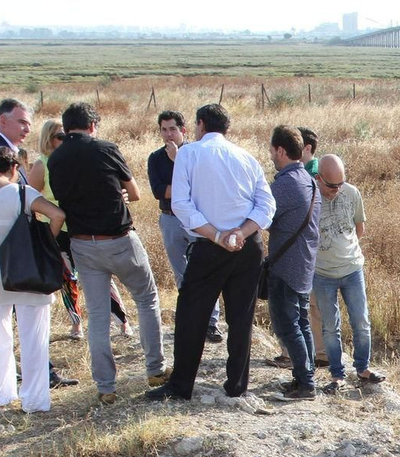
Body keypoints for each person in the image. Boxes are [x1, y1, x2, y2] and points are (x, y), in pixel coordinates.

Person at [147, 103, 275, 403]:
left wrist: (217, 236)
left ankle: (181, 386)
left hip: (210, 246)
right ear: (226, 128)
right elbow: (266, 205)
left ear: (200, 125)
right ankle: (236, 386)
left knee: (192, 314)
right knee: (241, 317)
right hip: (247, 246)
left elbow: (180, 203)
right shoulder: (246, 157)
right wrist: (241, 233)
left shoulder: (189, 153)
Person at [47, 101, 165, 405]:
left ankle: (106, 386)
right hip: (119, 239)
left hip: (83, 244)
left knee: (98, 316)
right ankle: (155, 369)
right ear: (92, 125)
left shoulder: (55, 159)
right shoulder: (105, 148)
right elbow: (135, 193)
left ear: (66, 125)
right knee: (147, 300)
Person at [0, 146, 65, 413]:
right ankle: (34, 400)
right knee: (33, 336)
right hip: (25, 268)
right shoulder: (21, 192)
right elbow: (57, 215)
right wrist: (46, 243)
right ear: (14, 168)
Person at [31, 118, 132, 343]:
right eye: (60, 137)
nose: (66, 141)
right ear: (48, 139)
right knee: (67, 279)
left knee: (103, 278)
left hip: (83, 228)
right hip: (59, 231)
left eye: (66, 136)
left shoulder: (77, 160)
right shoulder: (43, 164)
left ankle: (122, 321)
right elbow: (29, 197)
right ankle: (76, 323)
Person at [147, 110, 222, 343]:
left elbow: (200, 186)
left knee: (207, 269)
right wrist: (182, 188)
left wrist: (178, 162)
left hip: (196, 219)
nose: (168, 134)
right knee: (182, 273)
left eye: (173, 129)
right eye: (164, 129)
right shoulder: (155, 158)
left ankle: (212, 322)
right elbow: (160, 191)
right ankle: (192, 319)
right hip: (170, 219)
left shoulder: (193, 153)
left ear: (183, 130)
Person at [311, 155, 383, 391]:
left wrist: (346, 251)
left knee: (361, 321)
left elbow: (359, 228)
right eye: (331, 185)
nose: (336, 189)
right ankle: (337, 375)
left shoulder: (352, 193)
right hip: (322, 273)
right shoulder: (310, 195)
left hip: (352, 269)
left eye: (340, 184)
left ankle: (363, 368)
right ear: (318, 178)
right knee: (330, 327)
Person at [264, 125, 320, 400]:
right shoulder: (308, 179)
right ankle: (303, 378)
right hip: (304, 263)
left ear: (281, 150)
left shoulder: (286, 183)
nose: (271, 155)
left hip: (287, 265)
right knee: (302, 323)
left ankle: (306, 383)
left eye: (273, 150)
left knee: (287, 325)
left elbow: (263, 217)